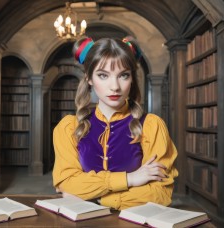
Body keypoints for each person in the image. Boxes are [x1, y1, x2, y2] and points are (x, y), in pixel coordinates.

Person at [52, 37, 178, 210]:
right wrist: (130, 179)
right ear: (89, 78)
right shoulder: (69, 128)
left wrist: (98, 199)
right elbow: (67, 182)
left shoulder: (152, 126)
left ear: (132, 78)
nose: (115, 86)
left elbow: (160, 194)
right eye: (103, 75)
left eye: (123, 75)